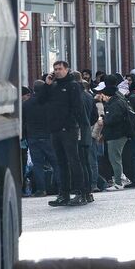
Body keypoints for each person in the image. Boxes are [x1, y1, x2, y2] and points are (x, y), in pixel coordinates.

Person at [42, 60, 90, 206]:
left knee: (74, 161)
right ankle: (64, 194)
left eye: (60, 69)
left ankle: (81, 193)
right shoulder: (54, 86)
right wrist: (47, 85)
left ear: (67, 69)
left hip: (69, 129)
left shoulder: (73, 85)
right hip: (55, 130)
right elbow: (41, 100)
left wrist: (83, 127)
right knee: (61, 163)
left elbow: (78, 108)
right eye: (55, 69)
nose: (57, 71)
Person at [96, 75, 133, 191]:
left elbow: (113, 118)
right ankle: (121, 178)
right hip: (120, 133)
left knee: (114, 158)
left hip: (116, 134)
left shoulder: (115, 102)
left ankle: (118, 182)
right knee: (116, 157)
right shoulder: (120, 98)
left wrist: (103, 119)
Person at [22, 82, 58, 197]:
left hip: (33, 137)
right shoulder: (50, 102)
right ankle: (60, 187)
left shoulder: (26, 104)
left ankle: (41, 189)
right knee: (55, 163)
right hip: (48, 136)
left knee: (37, 164)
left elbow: (23, 121)